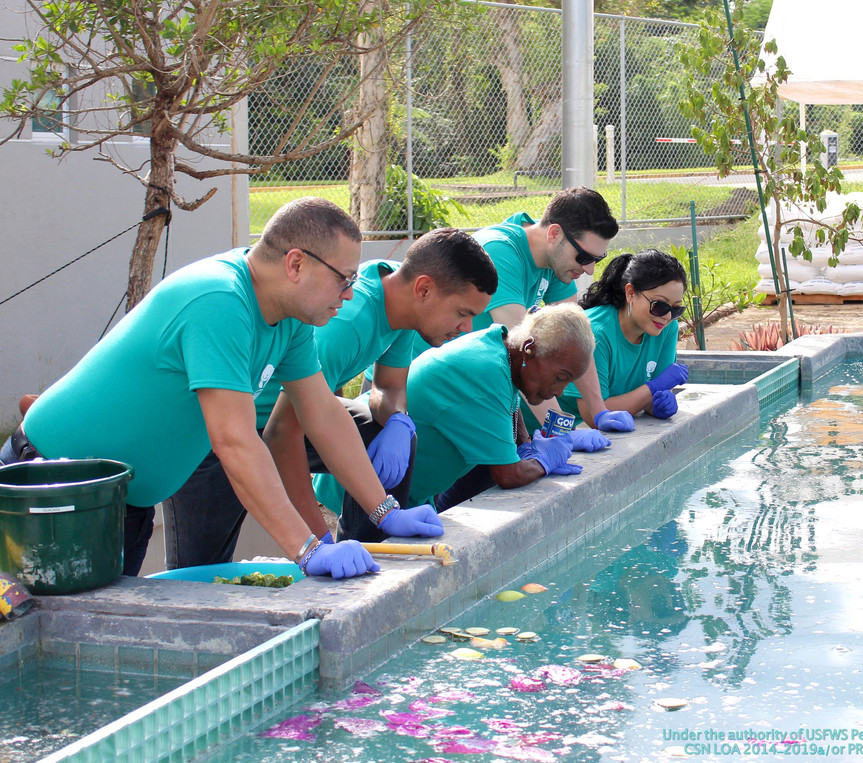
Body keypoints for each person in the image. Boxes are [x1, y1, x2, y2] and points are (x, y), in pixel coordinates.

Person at [0, 197, 436, 579]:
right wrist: (308, 550)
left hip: (122, 502)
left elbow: (322, 415)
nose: (349, 292)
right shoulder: (221, 301)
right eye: (345, 279)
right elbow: (235, 440)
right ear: (296, 264)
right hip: (51, 488)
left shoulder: (291, 318)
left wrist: (386, 511)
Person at [161, 228, 497, 566]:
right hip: (216, 436)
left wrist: (398, 420)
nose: (467, 328)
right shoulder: (345, 323)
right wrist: (316, 539)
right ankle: (335, 554)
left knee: (383, 428)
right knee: (198, 571)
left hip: (286, 422)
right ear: (424, 289)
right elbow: (282, 433)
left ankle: (371, 553)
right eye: (462, 313)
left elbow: (389, 388)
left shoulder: (401, 299)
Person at [469, 187, 635, 435]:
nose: (589, 271)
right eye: (584, 257)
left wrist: (600, 412)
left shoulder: (555, 260)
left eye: (596, 260)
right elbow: (523, 354)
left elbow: (576, 339)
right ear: (555, 233)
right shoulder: (500, 252)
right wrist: (562, 430)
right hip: (447, 390)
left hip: (485, 387)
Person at [404, 303, 597, 512]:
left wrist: (525, 446)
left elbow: (510, 403)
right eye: (560, 378)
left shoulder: (502, 351)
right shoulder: (487, 372)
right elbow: (508, 475)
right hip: (384, 497)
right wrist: (543, 462)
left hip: (412, 496)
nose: (560, 391)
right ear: (530, 348)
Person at [559, 249, 689, 423]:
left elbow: (654, 396)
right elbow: (594, 415)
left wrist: (657, 404)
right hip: (551, 430)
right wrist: (654, 387)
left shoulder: (666, 327)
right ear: (630, 293)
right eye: (660, 306)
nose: (667, 316)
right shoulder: (595, 333)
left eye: (676, 309)